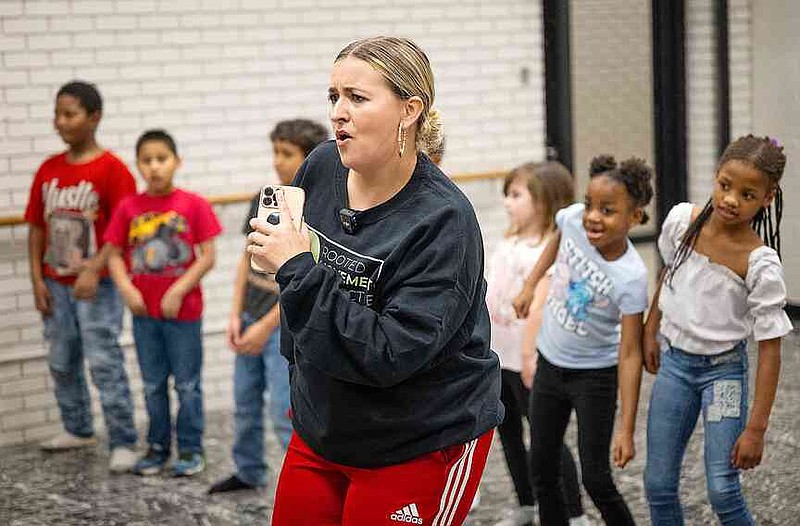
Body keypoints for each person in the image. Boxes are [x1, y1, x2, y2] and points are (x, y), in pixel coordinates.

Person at [246, 36, 503, 526]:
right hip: (325, 424)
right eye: (333, 97)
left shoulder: (443, 220)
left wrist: (296, 269)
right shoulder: (321, 166)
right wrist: (277, 255)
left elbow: (390, 352)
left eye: (357, 98)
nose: (338, 113)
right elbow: (298, 280)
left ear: (409, 110)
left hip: (418, 437)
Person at [643, 135, 791, 525]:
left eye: (747, 194)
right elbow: (668, 272)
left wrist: (756, 429)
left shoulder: (760, 264)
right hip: (674, 366)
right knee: (657, 484)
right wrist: (650, 327)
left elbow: (771, 350)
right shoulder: (681, 222)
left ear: (767, 198)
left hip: (723, 373)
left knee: (722, 489)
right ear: (715, 176)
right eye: (725, 185)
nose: (730, 199)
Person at [513, 155, 654, 525]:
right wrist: (530, 285)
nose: (592, 216)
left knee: (596, 478)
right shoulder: (574, 218)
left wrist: (625, 428)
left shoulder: (630, 277)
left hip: (594, 377)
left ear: (635, 217)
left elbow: (629, 352)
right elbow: (559, 239)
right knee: (541, 466)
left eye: (608, 210)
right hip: (550, 364)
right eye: (590, 205)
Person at [208, 119, 329, 494]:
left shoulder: (319, 209)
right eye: (275, 152)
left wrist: (264, 327)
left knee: (283, 407)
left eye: (287, 153)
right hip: (250, 315)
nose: (277, 161)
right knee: (245, 402)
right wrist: (235, 313)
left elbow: (307, 280)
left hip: (283, 324)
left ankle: (308, 480)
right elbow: (248, 257)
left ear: (309, 157)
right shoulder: (266, 197)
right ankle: (248, 470)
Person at [24, 80, 138, 473]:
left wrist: (93, 268)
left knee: (104, 362)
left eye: (69, 114)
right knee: (61, 359)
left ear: (94, 117)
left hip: (98, 287)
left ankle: (123, 440)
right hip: (56, 284)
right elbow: (37, 228)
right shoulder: (49, 169)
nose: (60, 122)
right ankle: (78, 427)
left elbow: (121, 231)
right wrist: (38, 280)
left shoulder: (113, 169)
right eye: (57, 114)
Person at [104, 129, 222, 476]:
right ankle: (157, 447)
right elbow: (112, 255)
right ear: (139, 165)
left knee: (187, 384)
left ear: (176, 162)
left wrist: (178, 290)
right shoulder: (129, 207)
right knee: (153, 384)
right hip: (144, 317)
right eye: (147, 160)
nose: (154, 167)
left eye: (162, 159)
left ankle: (190, 448)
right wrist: (126, 288)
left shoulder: (193, 204)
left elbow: (207, 256)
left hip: (183, 316)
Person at [486, 162, 587, 526]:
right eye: (507, 195)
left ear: (544, 201)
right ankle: (527, 504)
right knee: (509, 433)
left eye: (516, 195)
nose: (508, 203)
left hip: (534, 363)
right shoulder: (507, 241)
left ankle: (574, 513)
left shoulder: (551, 249)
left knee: (547, 438)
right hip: (499, 357)